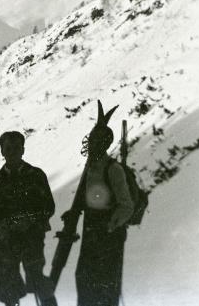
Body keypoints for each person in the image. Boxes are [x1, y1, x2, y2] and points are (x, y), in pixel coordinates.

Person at [0, 131, 57, 306]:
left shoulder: (36, 175)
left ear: (23, 150)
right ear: (2, 151)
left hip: (32, 239)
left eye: (16, 148)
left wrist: (29, 221)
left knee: (38, 281)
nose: (12, 152)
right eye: (8, 148)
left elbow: (48, 207)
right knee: (8, 290)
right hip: (4, 243)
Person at [73, 116, 134, 306]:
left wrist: (111, 226)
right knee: (84, 278)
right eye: (91, 140)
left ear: (104, 144)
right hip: (91, 230)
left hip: (108, 235)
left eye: (95, 141)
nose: (90, 144)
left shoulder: (113, 169)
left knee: (105, 283)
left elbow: (126, 205)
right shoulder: (91, 168)